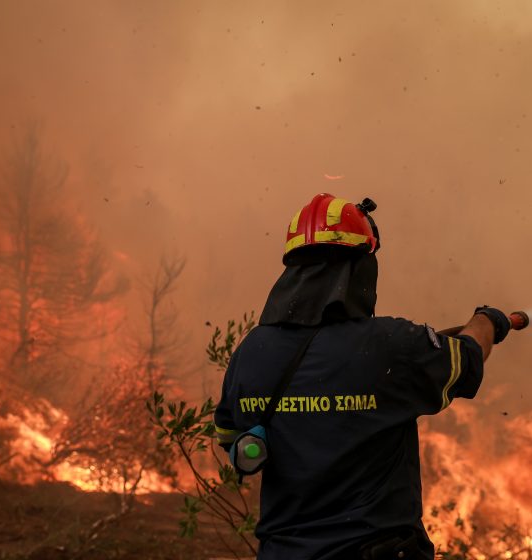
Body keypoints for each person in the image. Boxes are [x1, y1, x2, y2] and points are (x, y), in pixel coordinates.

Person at [214, 193, 511, 560]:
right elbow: (467, 359)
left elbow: (231, 438)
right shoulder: (391, 346)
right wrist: (487, 321)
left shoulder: (250, 353)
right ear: (359, 270)